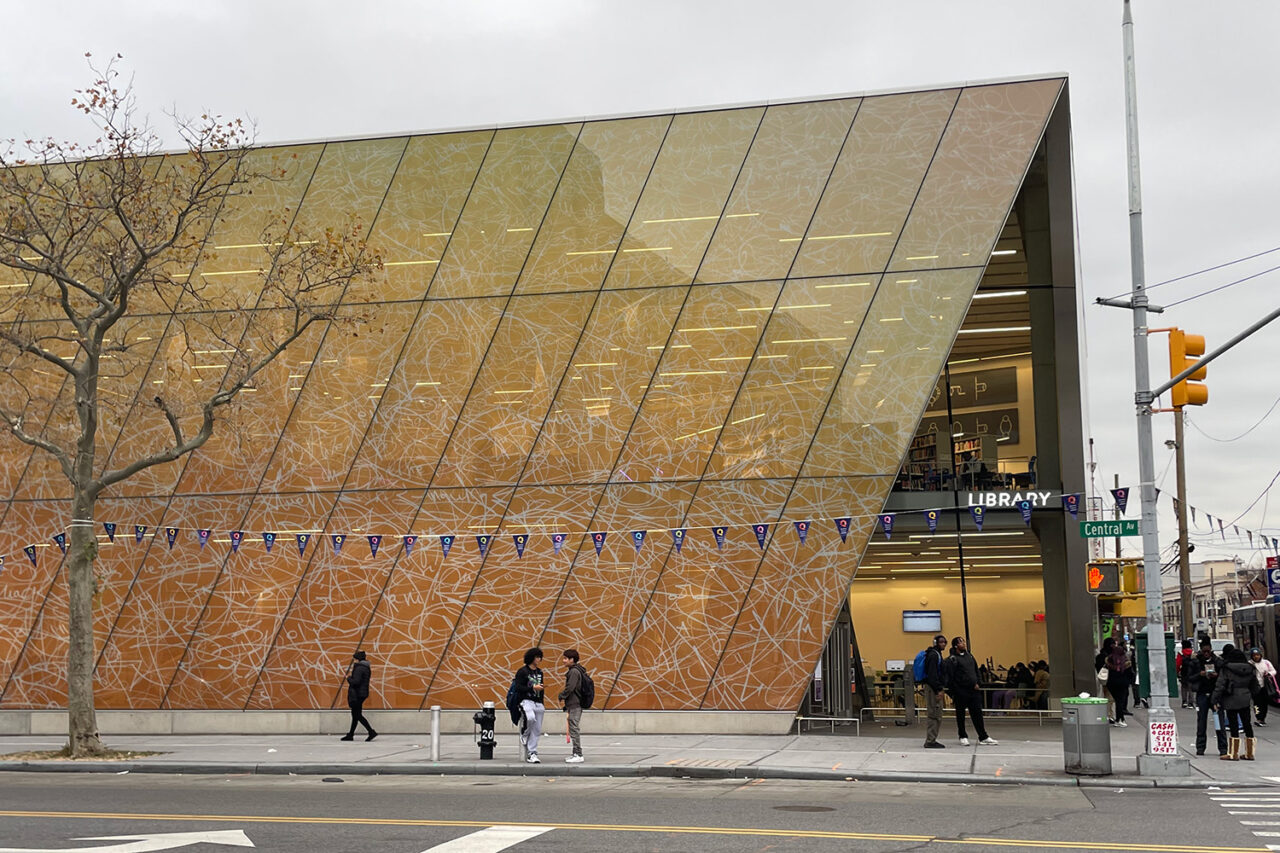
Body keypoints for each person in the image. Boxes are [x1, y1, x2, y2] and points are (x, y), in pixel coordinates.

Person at [945, 637, 998, 746]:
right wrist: (956, 691)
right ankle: (962, 736)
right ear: (955, 645)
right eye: (961, 642)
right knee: (960, 715)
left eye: (964, 641)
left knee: (977, 714)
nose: (963, 644)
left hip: (974, 691)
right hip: (961, 692)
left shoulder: (970, 656)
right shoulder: (952, 659)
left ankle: (983, 736)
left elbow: (976, 670)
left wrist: (978, 682)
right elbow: (951, 678)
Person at [1183, 639, 1227, 757]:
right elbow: (1189, 678)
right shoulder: (1196, 662)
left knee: (1219, 722)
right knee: (1201, 722)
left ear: (1211, 650)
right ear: (1201, 651)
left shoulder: (1217, 661)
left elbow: (1224, 677)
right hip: (1202, 693)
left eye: (1208, 651)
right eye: (1204, 651)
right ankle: (1200, 747)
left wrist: (1216, 675)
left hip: (1215, 695)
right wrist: (1200, 674)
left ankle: (1223, 748)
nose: (1206, 653)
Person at [1213, 644, 1256, 761]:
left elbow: (1220, 685)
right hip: (1245, 698)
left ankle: (1234, 753)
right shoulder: (1250, 668)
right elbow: (1255, 686)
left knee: (1233, 726)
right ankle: (1250, 752)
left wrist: (1214, 699)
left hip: (1231, 698)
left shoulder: (1226, 668)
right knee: (1247, 724)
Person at [514, 647, 546, 764]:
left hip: (537, 701)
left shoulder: (540, 672)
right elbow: (518, 687)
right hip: (526, 700)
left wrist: (541, 701)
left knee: (537, 728)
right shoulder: (522, 671)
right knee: (530, 718)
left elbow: (541, 689)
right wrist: (532, 687)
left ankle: (532, 752)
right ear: (531, 658)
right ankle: (525, 733)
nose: (539, 659)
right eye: (537, 657)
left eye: (540, 657)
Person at [340, 650, 376, 742]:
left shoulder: (360, 668)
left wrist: (348, 678)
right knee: (355, 714)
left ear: (358, 659)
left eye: (355, 659)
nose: (354, 661)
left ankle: (371, 731)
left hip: (358, 694)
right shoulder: (365, 667)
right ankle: (350, 734)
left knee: (357, 714)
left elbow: (356, 682)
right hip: (362, 693)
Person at [559, 648, 586, 763]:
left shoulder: (574, 672)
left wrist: (562, 695)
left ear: (572, 659)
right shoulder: (576, 670)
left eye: (566, 658)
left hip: (575, 703)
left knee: (574, 728)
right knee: (573, 727)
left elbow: (570, 687)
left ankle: (578, 754)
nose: (564, 661)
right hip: (574, 704)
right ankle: (576, 753)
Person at [921, 634, 948, 749]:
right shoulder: (933, 655)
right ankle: (930, 741)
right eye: (941, 642)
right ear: (936, 643)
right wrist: (938, 690)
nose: (943, 644)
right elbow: (932, 675)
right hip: (933, 689)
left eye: (944, 642)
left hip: (934, 687)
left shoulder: (936, 654)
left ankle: (932, 739)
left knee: (936, 714)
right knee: (934, 714)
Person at [1105, 640, 1134, 727]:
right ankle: (1120, 719)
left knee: (1117, 700)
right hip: (1122, 684)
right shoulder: (1125, 662)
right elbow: (1130, 674)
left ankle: (1119, 719)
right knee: (1120, 702)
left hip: (1111, 684)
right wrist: (1129, 682)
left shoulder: (1109, 660)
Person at [1249, 647, 1276, 727]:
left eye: (1257, 655)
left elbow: (1273, 671)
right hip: (1255, 687)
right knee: (1257, 704)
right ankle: (1258, 718)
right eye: (1254, 655)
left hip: (1265, 686)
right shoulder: (1249, 664)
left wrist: (1269, 674)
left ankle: (1263, 718)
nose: (1256, 657)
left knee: (1264, 703)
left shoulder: (1266, 662)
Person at [1095, 638, 1116, 721]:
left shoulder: (1100, 655)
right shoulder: (1110, 656)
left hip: (1102, 678)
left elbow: (1097, 666)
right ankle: (1110, 715)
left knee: (1106, 696)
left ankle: (1108, 714)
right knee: (1110, 698)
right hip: (1110, 679)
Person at [1176, 639, 1194, 709]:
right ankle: (1191, 702)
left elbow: (1178, 664)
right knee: (1191, 687)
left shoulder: (1181, 653)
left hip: (1183, 672)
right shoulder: (1193, 653)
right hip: (1192, 672)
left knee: (1184, 687)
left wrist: (1177, 672)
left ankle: (1184, 701)